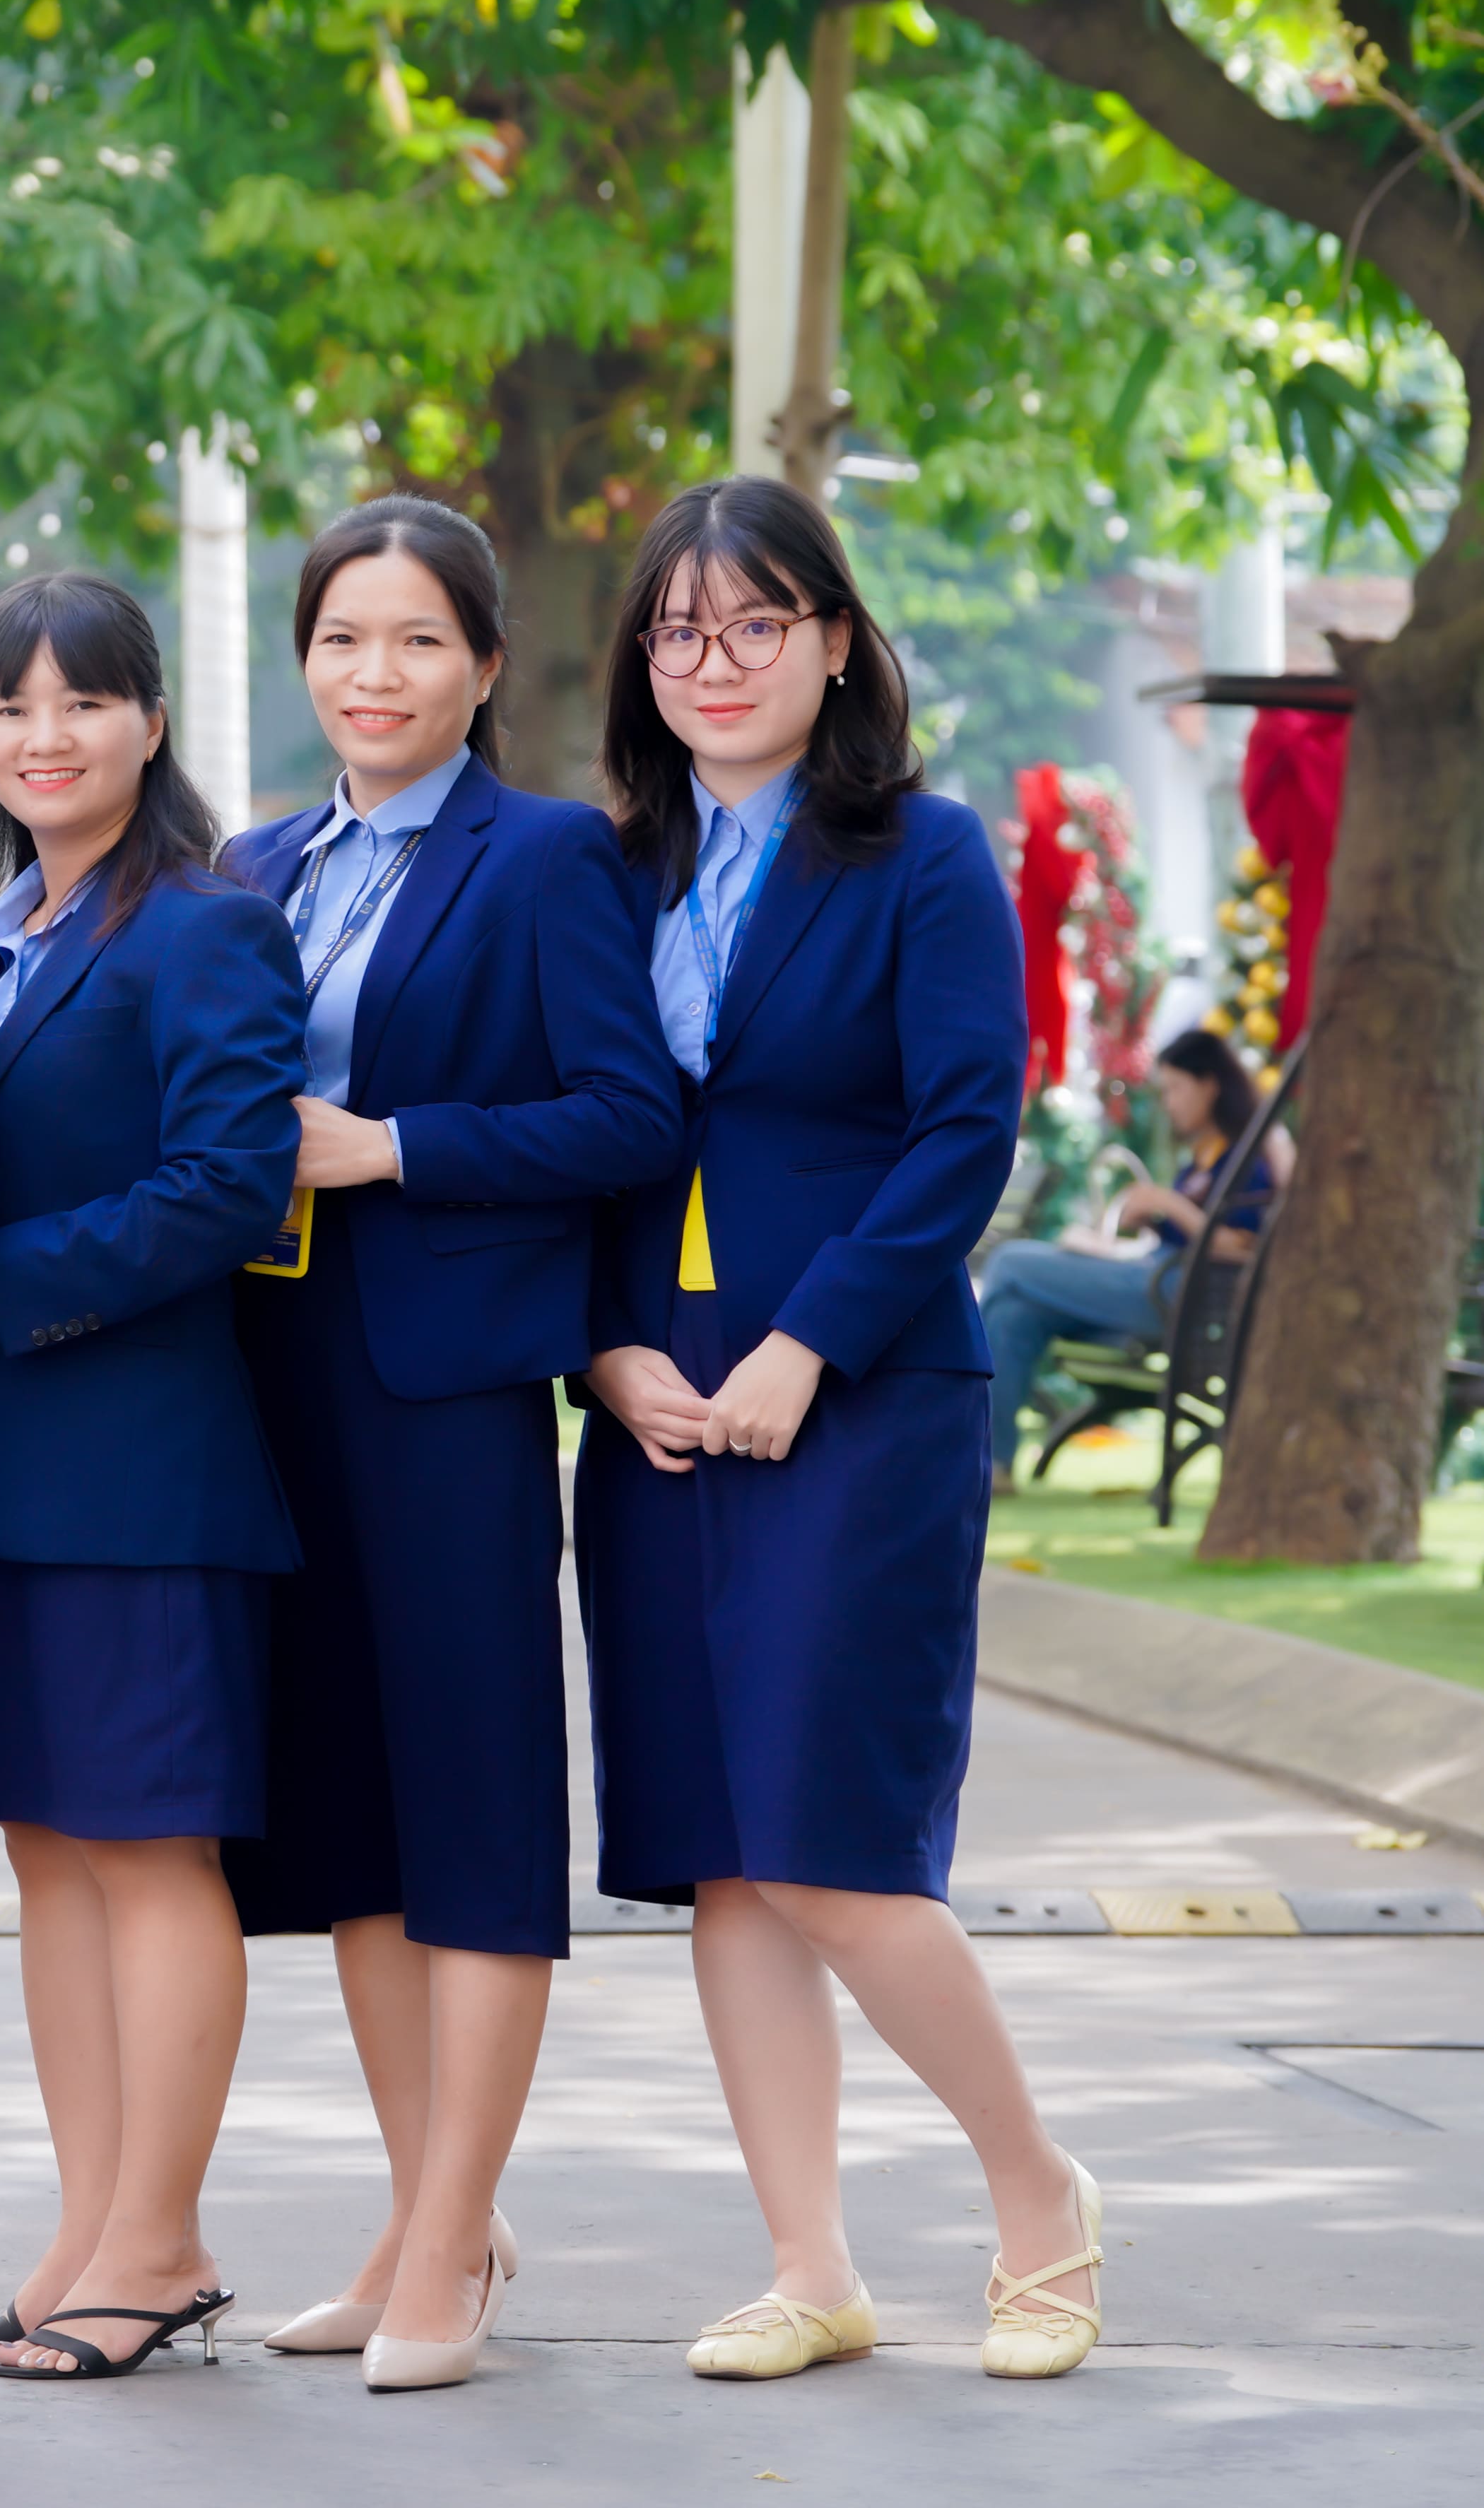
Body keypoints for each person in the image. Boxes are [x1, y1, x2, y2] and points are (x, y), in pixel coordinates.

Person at [572, 474, 1101, 2384]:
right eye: (676, 629)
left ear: (834, 642)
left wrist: (807, 1343)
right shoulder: (605, 869)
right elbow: (575, 1141)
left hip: (859, 1395)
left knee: (828, 1846)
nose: (711, 661)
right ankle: (809, 2266)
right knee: (722, 1856)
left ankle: (1035, 2192)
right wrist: (598, 1353)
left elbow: (965, 1131)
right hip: (654, 1406)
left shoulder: (922, 854)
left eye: (753, 623)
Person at [211, 500, 685, 2391]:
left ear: (483, 666)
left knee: (473, 1811)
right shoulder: (252, 864)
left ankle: (451, 2243)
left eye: (417, 640)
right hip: (269, 1375)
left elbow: (628, 1114)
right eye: (342, 638)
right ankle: (426, 2218)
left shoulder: (548, 856)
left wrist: (392, 1147)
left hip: (445, 1387)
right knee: (352, 1823)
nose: (374, 674)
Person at [0, 573, 302, 2385]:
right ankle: (89, 2228)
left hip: (139, 1473)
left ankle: (159, 2241)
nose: (41, 736)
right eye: (7, 706)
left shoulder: (206, 928)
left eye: (80, 701)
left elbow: (230, 1184)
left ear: (151, 719)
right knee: (51, 1861)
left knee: (147, 1858)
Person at [977, 1025, 1284, 1485]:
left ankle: (944, 1423)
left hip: (1181, 1296)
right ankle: (989, 1465)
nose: (1168, 1103)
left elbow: (1247, 1248)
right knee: (1013, 1314)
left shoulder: (1248, 1158)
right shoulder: (1201, 1157)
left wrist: (1170, 1205)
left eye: (1175, 1088)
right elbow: (1181, 1232)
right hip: (1151, 1278)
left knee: (1008, 1263)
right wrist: (1147, 1222)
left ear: (1210, 1085)